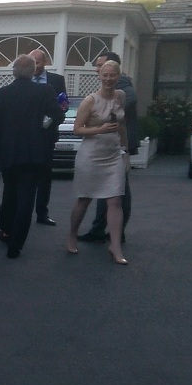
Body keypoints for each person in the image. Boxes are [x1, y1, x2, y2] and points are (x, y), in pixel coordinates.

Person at [0, 54, 66, 259]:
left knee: (9, 193)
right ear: (33, 72)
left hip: (9, 153)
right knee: (26, 199)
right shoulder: (45, 91)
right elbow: (59, 116)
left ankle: (6, 229)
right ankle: (16, 244)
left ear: (14, 72)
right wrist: (44, 125)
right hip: (35, 154)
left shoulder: (0, 95)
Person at [66, 60, 129, 265]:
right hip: (91, 155)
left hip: (113, 155)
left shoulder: (121, 96)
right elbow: (77, 129)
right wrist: (99, 130)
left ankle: (115, 245)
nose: (109, 79)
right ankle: (72, 234)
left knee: (115, 201)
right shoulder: (90, 101)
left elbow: (121, 124)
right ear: (99, 76)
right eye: (105, 75)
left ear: (118, 77)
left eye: (113, 75)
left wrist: (125, 150)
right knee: (84, 199)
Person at [79, 51, 137, 243]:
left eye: (102, 66)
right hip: (98, 150)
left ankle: (117, 234)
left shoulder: (123, 91)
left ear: (116, 71)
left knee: (119, 194)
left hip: (116, 149)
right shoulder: (95, 97)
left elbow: (120, 121)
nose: (100, 70)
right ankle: (99, 229)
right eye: (99, 68)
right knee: (97, 193)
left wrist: (125, 149)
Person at [28, 49, 69, 226]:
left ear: (45, 62)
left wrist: (55, 115)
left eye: (38, 62)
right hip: (27, 135)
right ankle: (24, 211)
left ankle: (42, 213)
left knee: (45, 175)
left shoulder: (57, 80)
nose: (35, 66)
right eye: (32, 62)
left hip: (47, 134)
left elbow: (63, 105)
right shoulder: (24, 79)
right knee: (27, 175)